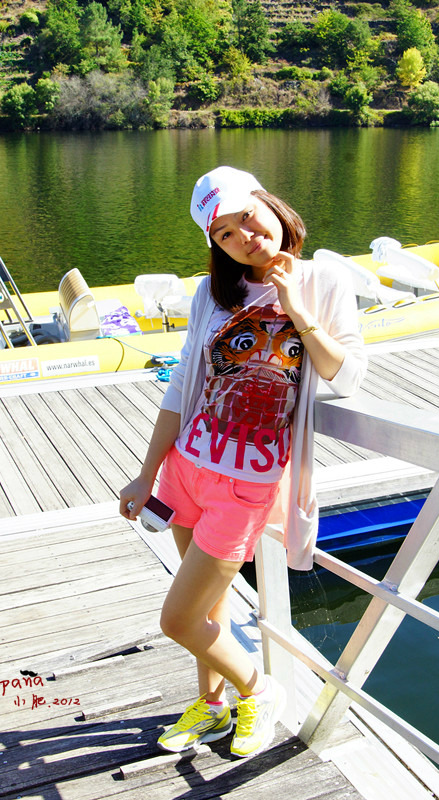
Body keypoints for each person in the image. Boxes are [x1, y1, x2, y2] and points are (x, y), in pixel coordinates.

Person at [119, 165, 367, 759]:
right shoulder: (212, 292)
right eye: (224, 234)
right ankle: (212, 706)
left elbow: (347, 375)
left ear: (270, 204)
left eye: (247, 218)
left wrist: (296, 308)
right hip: (186, 467)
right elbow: (183, 385)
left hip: (247, 482)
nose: (244, 237)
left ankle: (259, 690)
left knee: (178, 620)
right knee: (209, 606)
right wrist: (147, 472)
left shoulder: (324, 280)